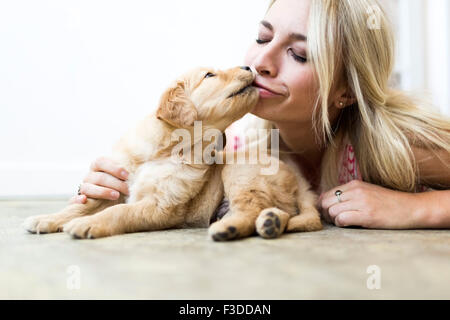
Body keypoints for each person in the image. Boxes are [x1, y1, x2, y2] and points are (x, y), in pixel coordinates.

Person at [71, 0, 450, 229]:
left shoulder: (392, 146)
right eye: (262, 38)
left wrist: (417, 209)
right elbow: (165, 198)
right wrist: (111, 190)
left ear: (346, 92)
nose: (261, 63)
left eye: (299, 55)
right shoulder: (239, 141)